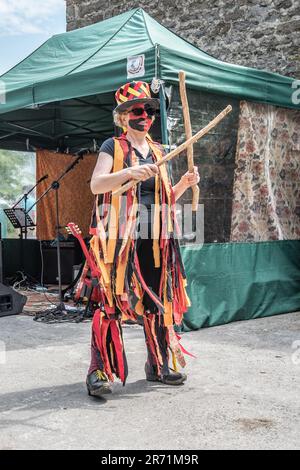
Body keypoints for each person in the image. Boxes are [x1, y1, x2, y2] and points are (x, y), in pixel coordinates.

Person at [85, 81, 199, 396]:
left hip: (156, 237)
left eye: (149, 110)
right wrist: (128, 173)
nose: (145, 115)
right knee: (111, 303)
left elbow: (165, 198)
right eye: (138, 110)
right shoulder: (113, 146)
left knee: (158, 301)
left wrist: (185, 185)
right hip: (119, 240)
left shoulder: (160, 151)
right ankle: (100, 371)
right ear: (123, 116)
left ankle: (159, 364)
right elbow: (97, 185)